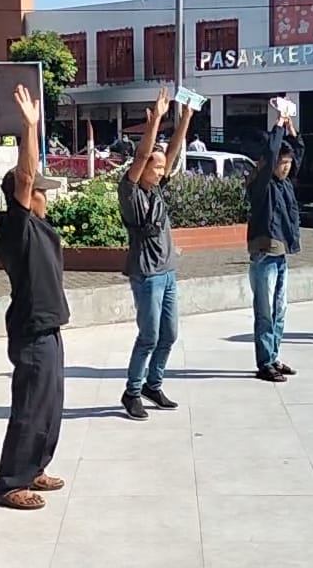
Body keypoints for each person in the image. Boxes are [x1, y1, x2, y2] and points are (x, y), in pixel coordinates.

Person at [0, 83, 70, 511]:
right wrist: (29, 128)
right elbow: (24, 174)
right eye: (40, 191)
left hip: (49, 328)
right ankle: (9, 483)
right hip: (31, 331)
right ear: (26, 195)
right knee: (29, 409)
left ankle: (35, 467)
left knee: (50, 406)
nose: (45, 197)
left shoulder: (37, 226)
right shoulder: (15, 227)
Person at [118, 87, 196, 421]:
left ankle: (154, 384)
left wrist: (186, 117)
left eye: (163, 168)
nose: (161, 171)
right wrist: (157, 121)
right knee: (149, 336)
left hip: (167, 272)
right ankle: (132, 392)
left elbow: (173, 152)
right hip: (146, 273)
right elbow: (141, 158)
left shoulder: (157, 189)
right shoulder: (131, 191)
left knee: (170, 334)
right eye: (157, 167)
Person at [247, 113, 304, 382]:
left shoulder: (286, 185)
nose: (286, 167)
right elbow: (271, 154)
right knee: (266, 311)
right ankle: (264, 362)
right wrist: (278, 126)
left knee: (280, 310)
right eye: (282, 163)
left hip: (282, 255)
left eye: (288, 163)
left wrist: (292, 131)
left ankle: (274, 355)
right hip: (264, 254)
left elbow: (300, 156)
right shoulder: (262, 184)